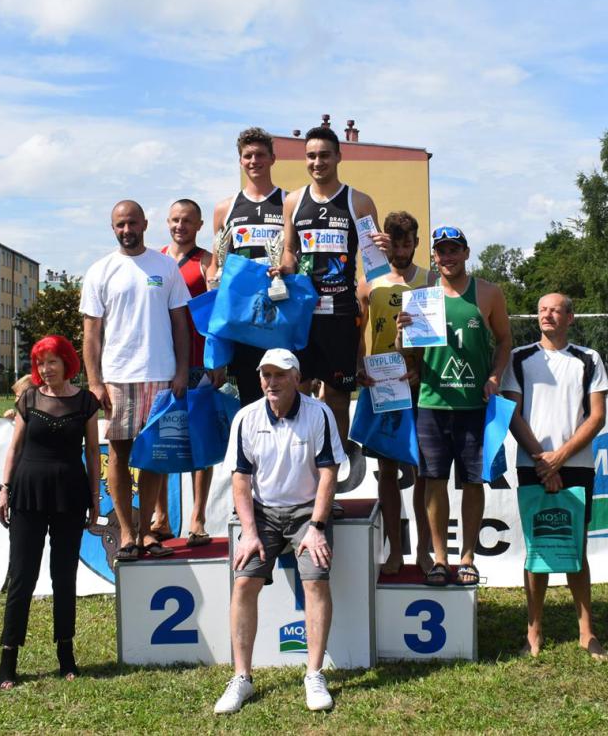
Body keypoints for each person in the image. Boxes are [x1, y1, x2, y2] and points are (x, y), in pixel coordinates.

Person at [215, 348, 344, 715]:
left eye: (280, 375)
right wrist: (250, 532)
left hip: (307, 512)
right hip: (263, 515)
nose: (271, 382)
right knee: (244, 583)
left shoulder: (319, 413)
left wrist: (316, 527)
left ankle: (314, 674)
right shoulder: (246, 417)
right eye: (266, 375)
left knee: (315, 582)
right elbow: (241, 480)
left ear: (297, 378)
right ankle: (242, 677)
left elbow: (328, 473)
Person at [400, 226, 512, 587]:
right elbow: (410, 357)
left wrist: (494, 375)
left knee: (473, 482)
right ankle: (439, 559)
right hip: (432, 403)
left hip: (474, 405)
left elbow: (505, 340)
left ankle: (467, 557)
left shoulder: (489, 292)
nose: (447, 257)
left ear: (466, 253)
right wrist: (403, 335)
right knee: (433, 481)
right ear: (434, 256)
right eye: (441, 251)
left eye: (454, 250)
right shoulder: (421, 297)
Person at [500, 293, 608, 658]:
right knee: (537, 548)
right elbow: (512, 414)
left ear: (570, 317)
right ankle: (533, 632)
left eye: (555, 310)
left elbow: (597, 416)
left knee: (575, 546)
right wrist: (542, 461)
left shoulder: (589, 358)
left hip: (576, 465)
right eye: (542, 310)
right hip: (532, 463)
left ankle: (587, 632)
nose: (547, 315)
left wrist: (559, 459)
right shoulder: (518, 358)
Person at [82, 199, 190, 561]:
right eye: (120, 225)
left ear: (144, 223)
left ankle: (147, 532)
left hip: (161, 377)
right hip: (118, 378)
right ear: (113, 228)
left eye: (132, 223)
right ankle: (126, 533)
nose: (126, 230)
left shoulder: (165, 266)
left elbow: (180, 324)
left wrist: (181, 371)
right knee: (119, 454)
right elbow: (91, 334)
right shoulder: (100, 270)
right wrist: (95, 382)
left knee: (155, 458)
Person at [278, 124, 391, 457]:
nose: (318, 162)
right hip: (303, 314)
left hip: (341, 312)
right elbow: (289, 250)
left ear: (339, 157)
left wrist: (384, 248)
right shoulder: (294, 201)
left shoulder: (359, 201)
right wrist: (284, 268)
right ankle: (303, 471)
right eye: (311, 156)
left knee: (338, 399)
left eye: (324, 155)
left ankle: (336, 473)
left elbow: (375, 260)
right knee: (297, 393)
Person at [0, 335, 101, 689]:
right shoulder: (28, 398)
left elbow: (92, 452)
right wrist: (4, 490)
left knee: (64, 575)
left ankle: (66, 653)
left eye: (52, 361)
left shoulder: (86, 402)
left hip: (70, 494)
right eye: (41, 363)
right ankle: (9, 656)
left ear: (67, 363)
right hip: (28, 493)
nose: (46, 369)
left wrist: (95, 498)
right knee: (22, 576)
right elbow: (14, 448)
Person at [355, 210, 432, 574]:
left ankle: (424, 552)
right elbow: (357, 332)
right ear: (385, 243)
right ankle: (394, 551)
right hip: (381, 384)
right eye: (395, 244)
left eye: (407, 244)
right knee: (386, 472)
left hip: (419, 385)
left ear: (416, 242)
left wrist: (422, 369)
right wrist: (359, 366)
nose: (402, 251)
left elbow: (439, 338)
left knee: (423, 472)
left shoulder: (430, 281)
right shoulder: (369, 282)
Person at [157, 197, 221, 546]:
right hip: (160, 363)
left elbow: (218, 314)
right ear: (167, 222)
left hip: (198, 361)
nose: (180, 226)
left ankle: (197, 517)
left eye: (187, 220)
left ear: (199, 226)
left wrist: (218, 360)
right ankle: (161, 517)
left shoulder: (208, 262)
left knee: (199, 439)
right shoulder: (155, 259)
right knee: (160, 440)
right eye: (175, 220)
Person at [209, 126, 285, 407]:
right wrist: (214, 287)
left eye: (260, 155)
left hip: (279, 312)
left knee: (284, 391)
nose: (254, 161)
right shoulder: (225, 208)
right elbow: (216, 263)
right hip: (242, 315)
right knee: (250, 395)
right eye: (248, 156)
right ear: (240, 160)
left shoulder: (289, 202)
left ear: (272, 158)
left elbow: (293, 257)